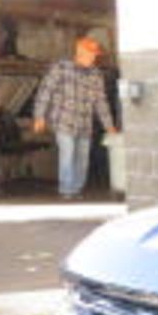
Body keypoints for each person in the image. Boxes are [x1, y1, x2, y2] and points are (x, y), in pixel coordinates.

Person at [32, 35, 118, 200]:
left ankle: (76, 189)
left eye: (95, 55)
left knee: (82, 159)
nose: (93, 58)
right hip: (63, 121)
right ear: (80, 53)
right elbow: (45, 92)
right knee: (67, 154)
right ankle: (66, 190)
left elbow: (101, 102)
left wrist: (109, 126)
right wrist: (39, 117)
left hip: (84, 124)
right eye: (91, 54)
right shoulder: (61, 68)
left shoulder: (96, 75)